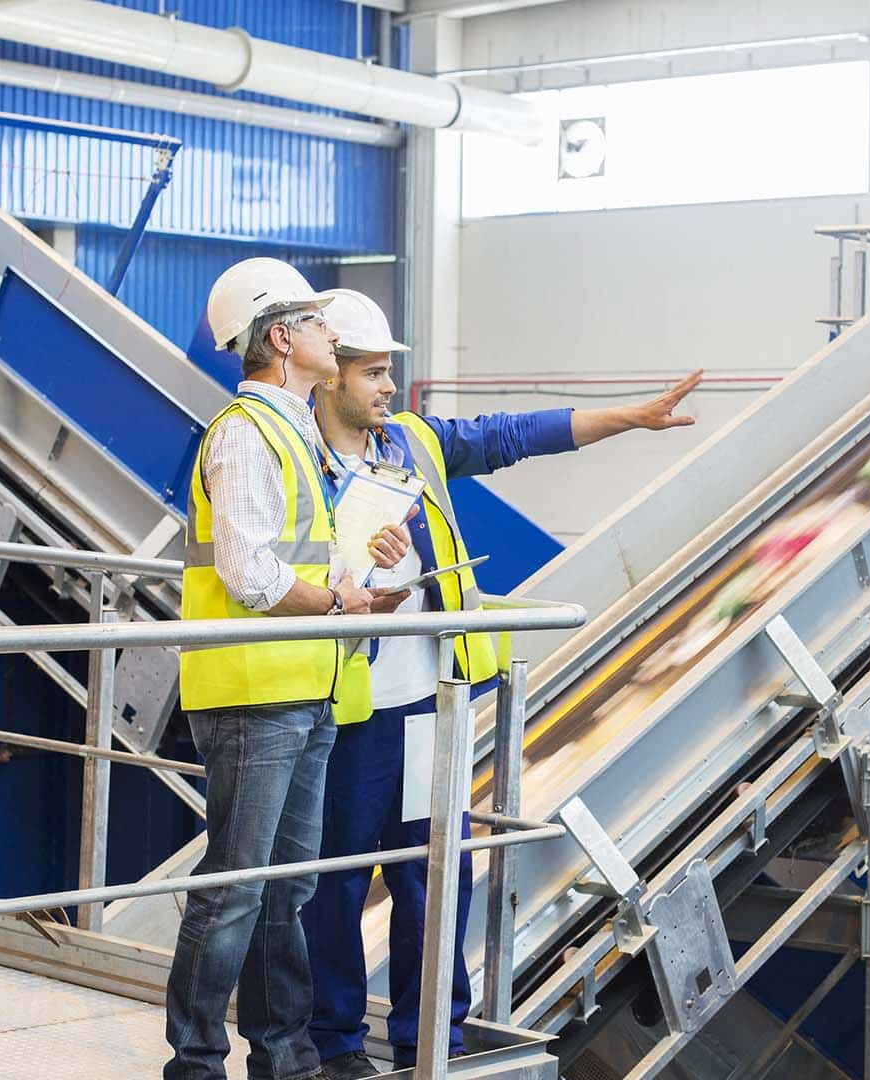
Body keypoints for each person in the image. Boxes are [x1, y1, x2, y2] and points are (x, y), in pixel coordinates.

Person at [300, 288, 702, 1079]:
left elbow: (513, 435)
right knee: (335, 883)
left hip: (426, 703)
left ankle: (433, 1041)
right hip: (345, 708)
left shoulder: (410, 441)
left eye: (390, 373)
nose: (390, 388)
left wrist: (630, 417)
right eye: (375, 374)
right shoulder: (294, 454)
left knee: (434, 875)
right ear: (328, 374)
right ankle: (337, 1047)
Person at [166, 260, 414, 1080]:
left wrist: (364, 571)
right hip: (250, 693)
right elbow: (250, 572)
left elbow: (302, 558)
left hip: (304, 688)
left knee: (287, 891)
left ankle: (282, 1058)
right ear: (280, 339)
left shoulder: (295, 433)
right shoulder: (244, 433)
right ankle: (196, 1065)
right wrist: (337, 605)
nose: (329, 336)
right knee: (236, 887)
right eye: (314, 324)